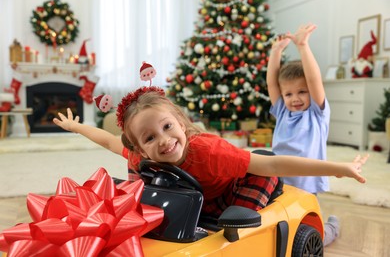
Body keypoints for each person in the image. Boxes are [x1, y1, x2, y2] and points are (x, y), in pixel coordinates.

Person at [54, 84, 368, 223]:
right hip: (191, 201)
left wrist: (336, 168)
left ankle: (231, 222)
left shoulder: (209, 151)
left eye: (167, 127)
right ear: (137, 146)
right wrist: (76, 127)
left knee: (262, 170)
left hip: (230, 193)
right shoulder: (141, 159)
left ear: (179, 121)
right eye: (149, 137)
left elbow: (272, 162)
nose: (163, 141)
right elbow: (108, 140)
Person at [266, 23, 337, 246]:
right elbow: (271, 81)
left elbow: (314, 79)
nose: (295, 98)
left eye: (302, 92)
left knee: (311, 232)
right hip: (280, 179)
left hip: (306, 182)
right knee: (283, 223)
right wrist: (276, 52)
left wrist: (303, 46)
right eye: (288, 93)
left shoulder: (317, 113)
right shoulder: (282, 110)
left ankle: (332, 228)